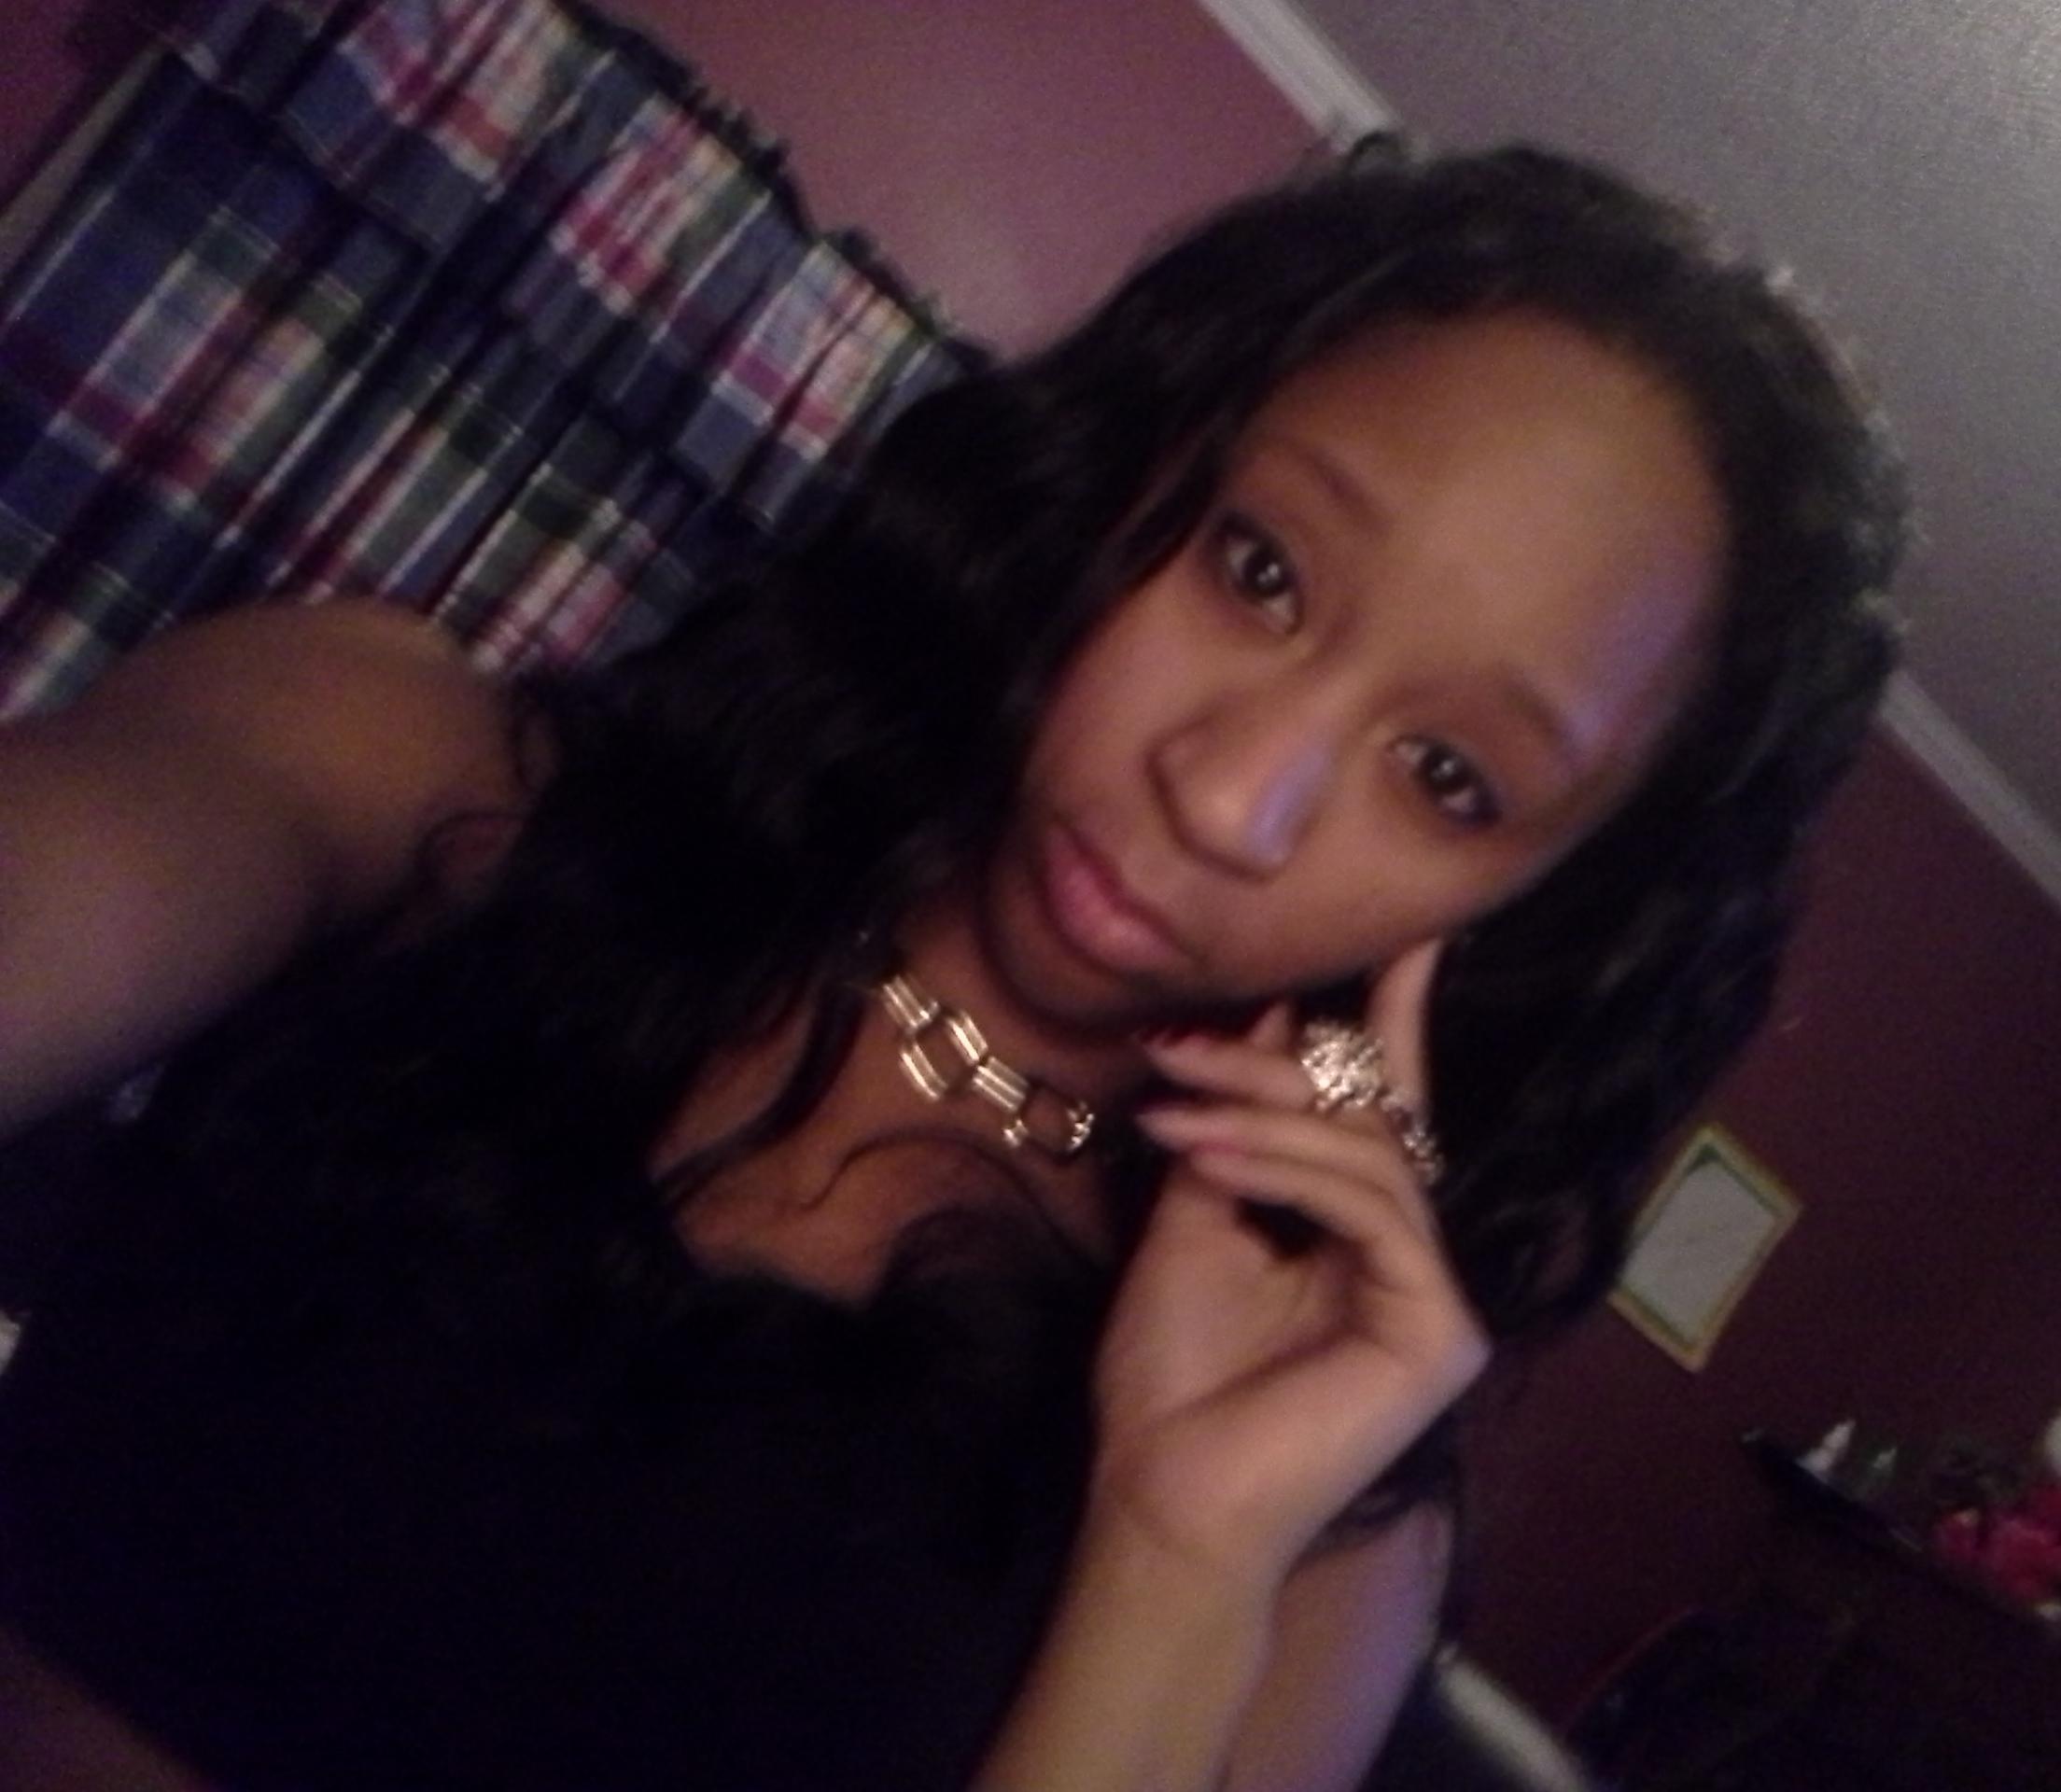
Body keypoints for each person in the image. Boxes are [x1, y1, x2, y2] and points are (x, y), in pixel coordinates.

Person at [0, 143, 1903, 1790]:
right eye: (1257, 569)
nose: (1229, 796)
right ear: (1128, 470)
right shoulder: (399, 767)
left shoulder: (1314, 1531)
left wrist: (1177, 1546)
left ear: (1534, 913)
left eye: (1449, 776)